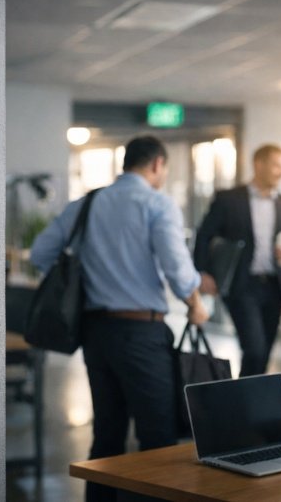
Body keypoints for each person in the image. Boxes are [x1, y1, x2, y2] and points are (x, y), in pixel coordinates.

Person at [30, 135, 208, 502]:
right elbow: (177, 268)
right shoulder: (157, 204)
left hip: (96, 333)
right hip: (141, 333)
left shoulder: (88, 203)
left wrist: (85, 282)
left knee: (107, 437)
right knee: (157, 439)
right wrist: (195, 300)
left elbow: (41, 253)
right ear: (157, 164)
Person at [193, 144, 281, 377]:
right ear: (258, 164)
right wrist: (202, 272)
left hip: (275, 286)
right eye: (275, 165)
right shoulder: (229, 199)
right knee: (254, 348)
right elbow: (204, 235)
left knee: (264, 352)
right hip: (242, 285)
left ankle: (247, 401)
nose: (280, 172)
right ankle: (245, 402)